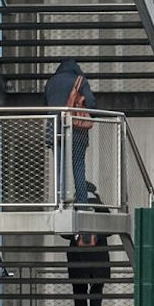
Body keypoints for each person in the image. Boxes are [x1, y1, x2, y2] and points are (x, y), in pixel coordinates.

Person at [43, 59, 98, 206]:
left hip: (55, 128)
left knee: (59, 166)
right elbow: (92, 104)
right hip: (76, 129)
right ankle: (82, 201)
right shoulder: (80, 80)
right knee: (78, 164)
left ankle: (59, 201)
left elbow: (45, 104)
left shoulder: (51, 82)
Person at [63, 229, 107, 306]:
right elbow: (63, 230)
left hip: (90, 256)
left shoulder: (100, 211)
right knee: (81, 293)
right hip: (84, 257)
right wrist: (76, 236)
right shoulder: (72, 211)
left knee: (92, 288)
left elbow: (109, 227)